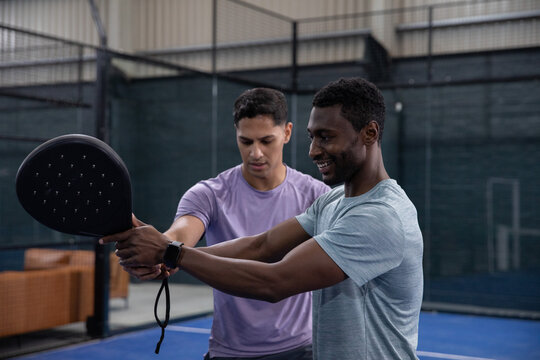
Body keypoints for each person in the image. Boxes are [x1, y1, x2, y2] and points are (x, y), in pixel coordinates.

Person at [104, 78, 424, 359]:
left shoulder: (381, 217)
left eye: (326, 137)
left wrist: (171, 253)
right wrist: (168, 251)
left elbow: (275, 281)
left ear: (370, 133)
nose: (313, 150)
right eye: (312, 137)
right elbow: (262, 245)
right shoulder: (334, 200)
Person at [122, 87, 330, 359]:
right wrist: (156, 250)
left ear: (287, 133)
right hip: (230, 351)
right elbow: (180, 235)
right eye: (246, 141)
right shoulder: (208, 194)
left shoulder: (317, 196)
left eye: (266, 141)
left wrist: (169, 252)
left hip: (302, 348)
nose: (255, 153)